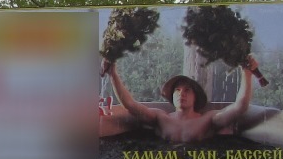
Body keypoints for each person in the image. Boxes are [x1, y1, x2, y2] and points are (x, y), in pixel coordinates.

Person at [103, 57, 257, 144]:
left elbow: (240, 107)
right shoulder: (160, 118)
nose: (181, 93)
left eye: (187, 90)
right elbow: (130, 104)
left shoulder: (209, 119)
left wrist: (247, 74)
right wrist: (113, 74)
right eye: (177, 90)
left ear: (196, 96)